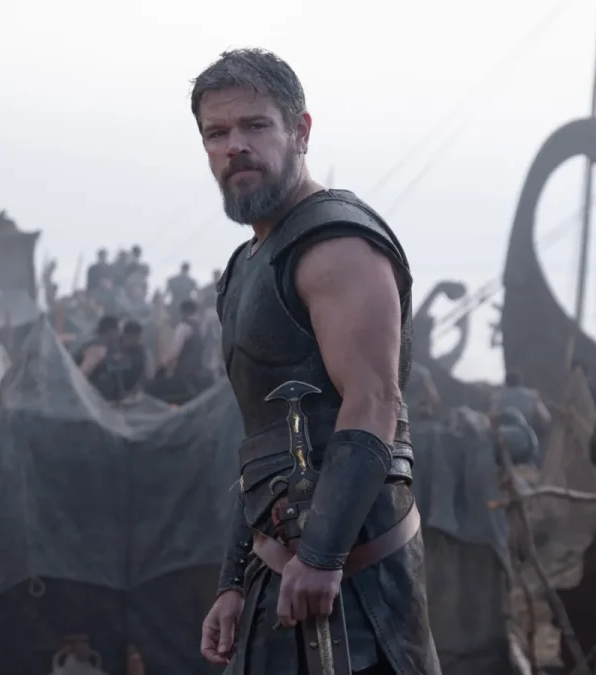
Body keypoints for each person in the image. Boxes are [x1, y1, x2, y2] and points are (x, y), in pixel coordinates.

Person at [192, 49, 439, 675]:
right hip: (280, 571)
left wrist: (324, 555)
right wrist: (233, 582)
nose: (234, 146)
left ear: (300, 131)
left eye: (255, 126)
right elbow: (266, 442)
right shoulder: (247, 265)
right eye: (217, 134)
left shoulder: (337, 244)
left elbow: (375, 400)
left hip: (352, 583)